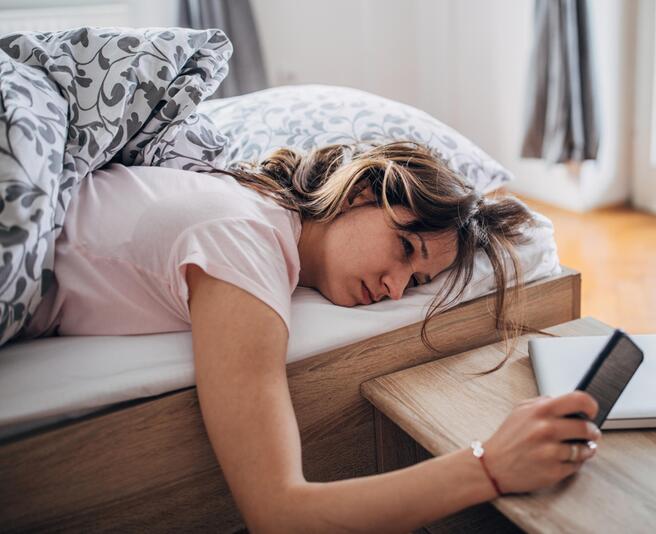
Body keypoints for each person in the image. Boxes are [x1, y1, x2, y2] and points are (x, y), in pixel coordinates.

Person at [20, 141, 601, 531]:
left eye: (417, 279)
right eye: (404, 249)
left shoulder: (253, 214)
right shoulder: (242, 241)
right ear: (358, 194)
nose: (397, 289)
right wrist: (490, 466)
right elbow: (279, 512)